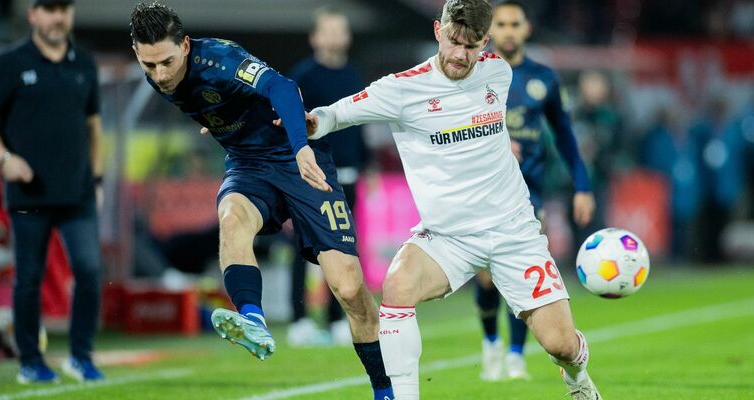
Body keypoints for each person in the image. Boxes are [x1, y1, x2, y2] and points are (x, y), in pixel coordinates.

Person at [298, 0, 602, 398]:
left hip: (514, 233)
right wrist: (305, 123)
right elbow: (334, 115)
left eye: (472, 45)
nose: (461, 54)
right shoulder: (402, 89)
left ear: (486, 42)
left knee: (560, 345)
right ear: (438, 31)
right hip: (448, 238)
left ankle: (577, 376)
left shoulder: (498, 72)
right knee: (397, 286)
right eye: (454, 41)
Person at [128, 3, 393, 399]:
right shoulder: (158, 74)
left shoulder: (221, 58)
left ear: (185, 45)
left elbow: (283, 88)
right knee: (232, 218)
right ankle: (253, 318)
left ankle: (385, 389)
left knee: (350, 288)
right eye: (150, 66)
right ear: (137, 53)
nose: (161, 75)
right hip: (248, 165)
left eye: (167, 62)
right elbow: (211, 102)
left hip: (299, 158)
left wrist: (302, 147)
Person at [0, 0, 104, 384]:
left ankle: (81, 357)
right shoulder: (10, 63)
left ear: (71, 13)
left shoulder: (85, 64)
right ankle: (30, 361)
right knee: (29, 277)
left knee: (90, 271)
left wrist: (97, 180)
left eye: (63, 8)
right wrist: (3, 158)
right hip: (29, 196)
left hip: (78, 193)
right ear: (32, 15)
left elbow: (94, 126)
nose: (57, 16)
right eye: (48, 8)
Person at [473, 0, 595, 382]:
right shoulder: (474, 74)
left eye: (515, 24)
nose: (509, 30)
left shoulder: (544, 77)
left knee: (524, 271)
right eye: (502, 24)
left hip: (529, 191)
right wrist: (493, 144)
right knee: (487, 277)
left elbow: (565, 135)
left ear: (526, 29)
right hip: (483, 188)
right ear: (492, 32)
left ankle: (514, 354)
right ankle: (491, 341)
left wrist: (583, 185)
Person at [286, 6, 369, 347]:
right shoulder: (303, 76)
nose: (335, 36)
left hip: (350, 173)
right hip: (315, 175)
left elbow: (360, 125)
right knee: (305, 247)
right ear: (315, 37)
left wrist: (368, 165)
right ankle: (300, 319)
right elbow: (291, 124)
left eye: (340, 30)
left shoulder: (354, 75)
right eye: (328, 30)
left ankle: (337, 319)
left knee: (345, 248)